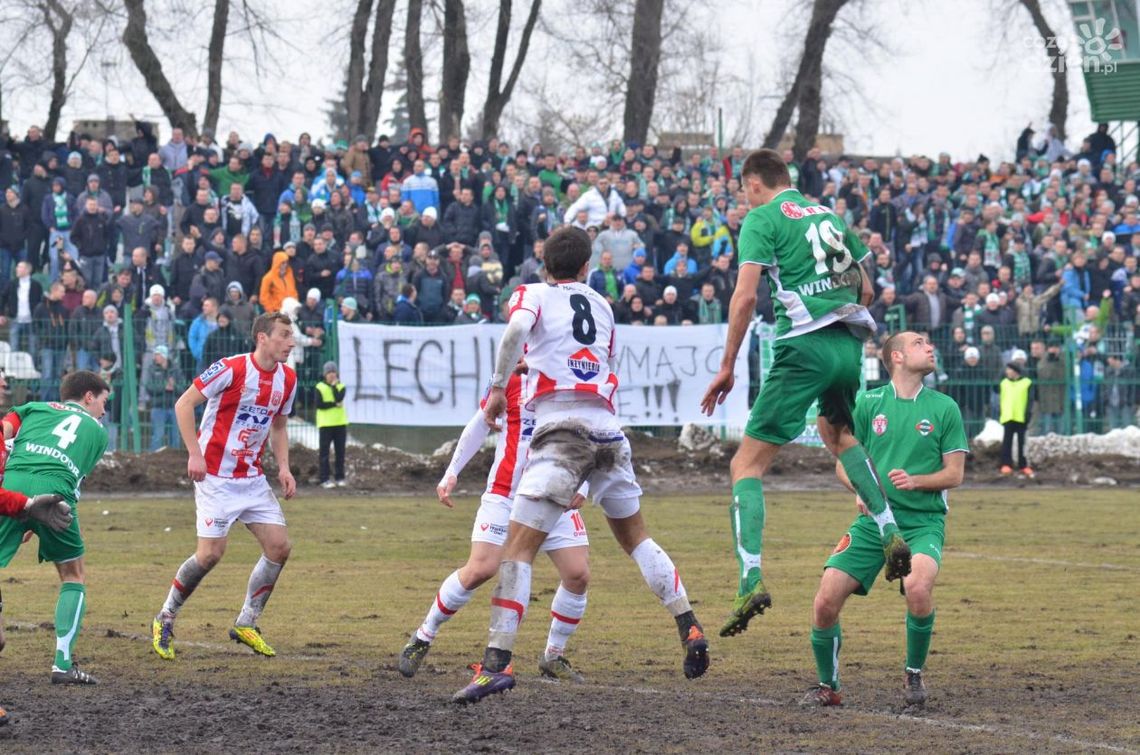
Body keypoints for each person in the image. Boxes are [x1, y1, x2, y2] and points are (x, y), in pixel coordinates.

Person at [452, 226, 708, 705]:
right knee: (637, 538)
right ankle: (688, 623)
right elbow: (610, 367)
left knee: (517, 551)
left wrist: (495, 387)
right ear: (588, 266)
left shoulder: (533, 293)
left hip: (561, 430)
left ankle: (496, 665)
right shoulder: (604, 305)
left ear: (543, 265)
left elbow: (513, 333)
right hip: (610, 431)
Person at [699, 149, 910, 640]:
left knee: (746, 465)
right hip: (847, 342)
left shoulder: (761, 219)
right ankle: (889, 531)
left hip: (803, 343)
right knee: (839, 435)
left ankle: (750, 579)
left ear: (754, 185)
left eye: (743, 191)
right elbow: (869, 290)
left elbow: (747, 296)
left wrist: (728, 364)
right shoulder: (829, 216)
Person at [801, 331, 966, 707]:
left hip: (923, 523)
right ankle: (829, 686)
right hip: (874, 523)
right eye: (920, 343)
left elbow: (955, 474)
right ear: (897, 356)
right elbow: (844, 462)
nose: (930, 346)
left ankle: (913, 675)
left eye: (929, 342)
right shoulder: (867, 403)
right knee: (825, 601)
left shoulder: (945, 407)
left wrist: (917, 481)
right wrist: (859, 489)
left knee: (919, 589)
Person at [400, 369, 591, 682]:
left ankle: (552, 657)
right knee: (480, 569)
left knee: (578, 574)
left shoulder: (571, 376)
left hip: (555, 493)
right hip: (506, 494)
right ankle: (423, 635)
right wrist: (452, 471)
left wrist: (583, 485)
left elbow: (591, 434)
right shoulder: (511, 377)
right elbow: (480, 424)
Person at [151, 312, 298, 661]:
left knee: (279, 547)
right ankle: (165, 617)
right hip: (215, 477)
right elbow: (183, 403)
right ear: (262, 337)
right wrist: (194, 453)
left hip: (251, 478)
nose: (291, 343)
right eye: (284, 335)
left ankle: (247, 621)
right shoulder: (230, 368)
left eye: (292, 336)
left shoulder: (288, 379)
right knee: (210, 555)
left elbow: (278, 426)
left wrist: (285, 468)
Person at [0, 370, 111, 684]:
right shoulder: (99, 433)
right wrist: (38, 520)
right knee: (73, 574)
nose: (104, 410)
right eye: (104, 401)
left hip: (11, 484)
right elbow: (71, 478)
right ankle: (62, 664)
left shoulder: (32, 408)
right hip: (57, 493)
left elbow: (4, 430)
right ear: (88, 396)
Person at [315, 361, 348, 489]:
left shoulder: (341, 386)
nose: (332, 375)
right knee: (324, 453)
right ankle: (324, 478)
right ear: (325, 374)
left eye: (333, 372)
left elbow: (339, 398)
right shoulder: (319, 387)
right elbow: (319, 404)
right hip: (325, 425)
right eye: (329, 372)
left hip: (340, 424)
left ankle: (340, 477)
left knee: (340, 452)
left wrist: (334, 387)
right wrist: (334, 405)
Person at [998, 362, 1034, 477]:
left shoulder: (1027, 383)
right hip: (1008, 416)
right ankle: (1006, 464)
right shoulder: (1004, 383)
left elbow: (1030, 401)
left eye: (1009, 369)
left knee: (1022, 443)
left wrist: (1028, 414)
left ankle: (1023, 465)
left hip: (1021, 417)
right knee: (1006, 442)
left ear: (1015, 371)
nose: (1007, 372)